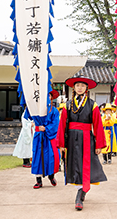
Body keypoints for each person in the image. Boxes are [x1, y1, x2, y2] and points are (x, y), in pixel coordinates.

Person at [57, 76, 107, 211]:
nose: (80, 88)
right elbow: (62, 125)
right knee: (74, 165)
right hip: (72, 139)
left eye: (82, 86)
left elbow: (97, 125)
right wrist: (61, 143)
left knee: (86, 165)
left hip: (86, 138)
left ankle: (80, 195)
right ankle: (81, 191)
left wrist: (99, 145)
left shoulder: (93, 105)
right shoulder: (67, 105)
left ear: (87, 88)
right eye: (77, 85)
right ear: (74, 88)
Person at [32, 90, 61, 189]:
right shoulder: (35, 110)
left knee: (51, 157)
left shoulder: (54, 111)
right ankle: (38, 181)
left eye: (48, 95)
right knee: (37, 157)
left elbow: (56, 124)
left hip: (49, 137)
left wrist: (46, 128)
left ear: (51, 98)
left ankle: (51, 176)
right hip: (38, 136)